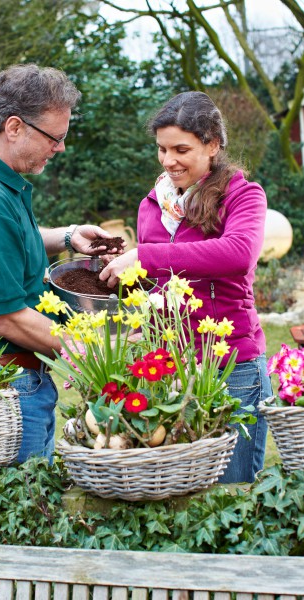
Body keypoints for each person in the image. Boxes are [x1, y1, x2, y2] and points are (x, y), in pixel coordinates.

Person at [0, 63, 123, 465]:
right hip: (5, 387)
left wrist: (68, 237)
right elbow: (7, 318)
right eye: (55, 137)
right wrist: (101, 351)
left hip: (10, 382)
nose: (61, 148)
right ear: (14, 127)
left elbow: (4, 244)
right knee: (24, 512)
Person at [99, 91, 273, 484]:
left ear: (212, 145)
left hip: (232, 368)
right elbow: (153, 279)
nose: (168, 160)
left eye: (181, 149)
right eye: (161, 149)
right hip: (168, 369)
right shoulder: (153, 204)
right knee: (181, 497)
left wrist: (146, 256)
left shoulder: (242, 195)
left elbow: (237, 254)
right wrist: (118, 276)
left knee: (233, 492)